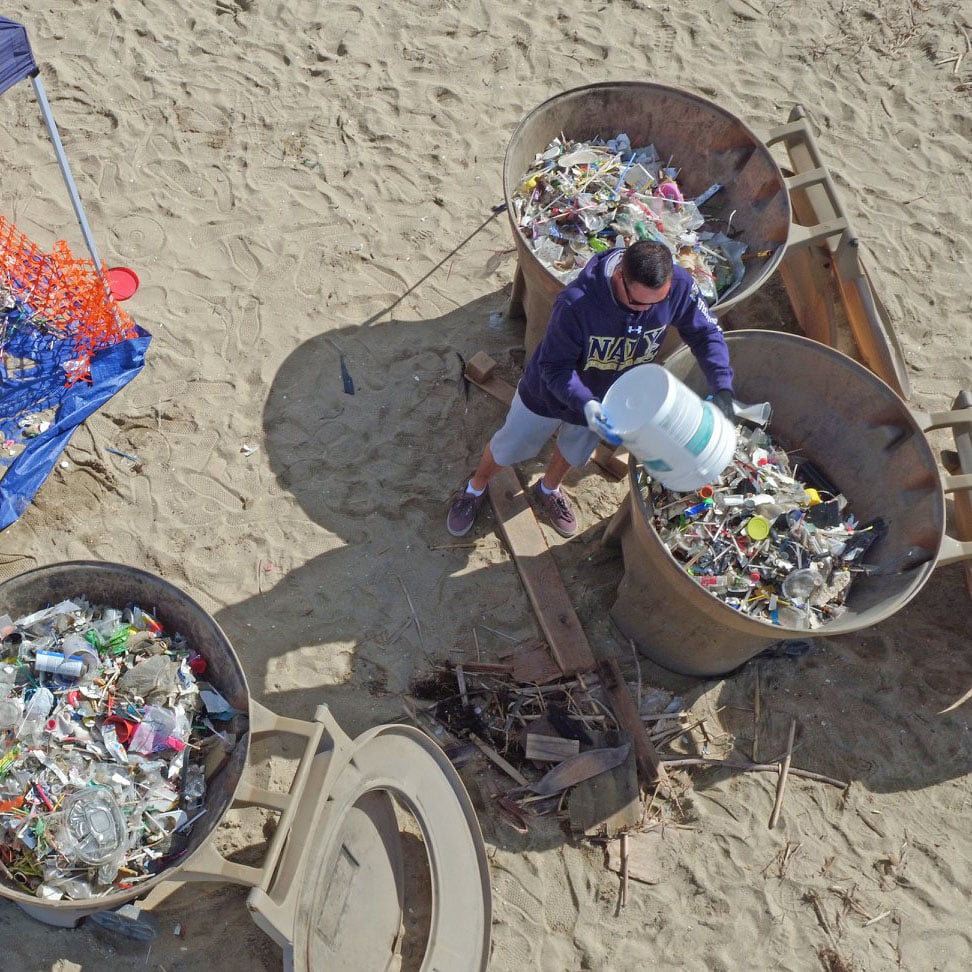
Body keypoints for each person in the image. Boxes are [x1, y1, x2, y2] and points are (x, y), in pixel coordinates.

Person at [447, 239, 735, 538]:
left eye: (657, 303)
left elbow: (707, 334)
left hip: (610, 399)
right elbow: (554, 368)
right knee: (510, 445)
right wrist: (585, 402)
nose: (646, 311)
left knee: (574, 451)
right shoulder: (576, 303)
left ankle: (549, 488)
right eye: (638, 303)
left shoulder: (679, 286)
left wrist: (723, 386)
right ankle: (475, 487)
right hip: (548, 394)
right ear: (620, 276)